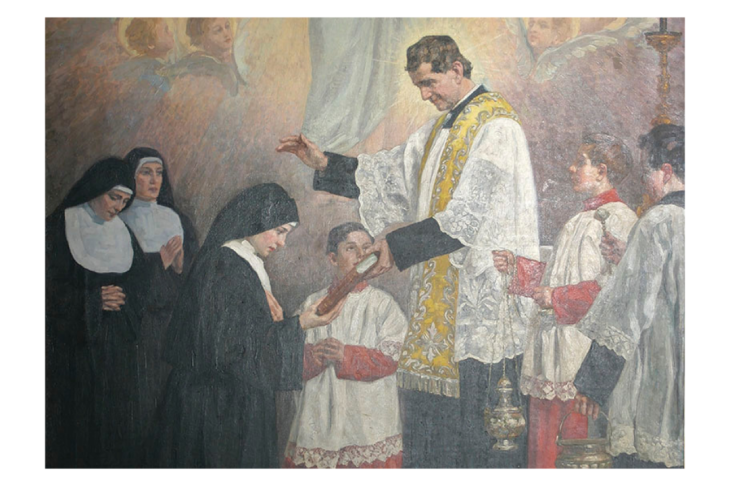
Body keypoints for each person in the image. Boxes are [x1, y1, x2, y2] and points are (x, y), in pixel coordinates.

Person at [277, 35, 540, 468]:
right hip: (440, 308)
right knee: (433, 435)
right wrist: (325, 164)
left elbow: (469, 217)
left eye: (430, 82)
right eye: (418, 86)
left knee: (479, 436)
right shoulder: (439, 130)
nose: (424, 95)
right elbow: (390, 173)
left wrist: (396, 247)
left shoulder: (497, 127)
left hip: (479, 308)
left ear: (457, 69)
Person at [153, 183, 344, 468]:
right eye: (279, 231)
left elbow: (247, 336)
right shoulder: (226, 266)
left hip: (230, 399)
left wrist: (281, 325)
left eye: (286, 234)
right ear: (256, 220)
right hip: (218, 406)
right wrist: (300, 323)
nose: (282, 243)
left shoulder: (243, 264)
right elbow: (233, 349)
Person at [492, 134, 638, 468]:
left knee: (574, 451)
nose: (571, 168)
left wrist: (557, 297)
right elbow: (557, 276)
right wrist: (518, 268)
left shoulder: (619, 219)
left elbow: (617, 294)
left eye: (580, 162)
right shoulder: (579, 219)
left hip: (583, 359)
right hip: (553, 353)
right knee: (543, 452)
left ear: (602, 170)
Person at [572, 124, 685, 468]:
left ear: (667, 172)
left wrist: (593, 381)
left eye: (648, 173)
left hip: (661, 371)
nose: (645, 183)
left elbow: (627, 309)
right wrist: (630, 254)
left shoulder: (659, 220)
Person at [46, 157, 149, 467]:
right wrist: (92, 300)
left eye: (124, 201)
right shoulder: (57, 228)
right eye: (113, 197)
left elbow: (140, 286)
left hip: (115, 351)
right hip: (72, 350)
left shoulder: (123, 232)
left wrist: (124, 300)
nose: (118, 207)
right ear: (95, 188)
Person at [284, 222, 408, 468]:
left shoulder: (383, 304)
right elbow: (288, 358)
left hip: (367, 420)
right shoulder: (312, 303)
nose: (361, 255)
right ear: (332, 258)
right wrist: (313, 356)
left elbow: (393, 357)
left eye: (366, 248)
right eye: (351, 248)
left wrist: (346, 355)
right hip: (320, 415)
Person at [118, 147, 199, 459]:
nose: (154, 180)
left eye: (158, 173)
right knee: (140, 406)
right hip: (138, 332)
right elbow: (122, 282)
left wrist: (179, 267)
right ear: (132, 177)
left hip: (174, 328)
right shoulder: (119, 221)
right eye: (145, 173)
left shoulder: (178, 221)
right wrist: (158, 264)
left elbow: (193, 277)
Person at [169, 18, 244, 96]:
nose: (226, 34)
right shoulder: (202, 64)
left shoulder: (234, 60)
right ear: (202, 38)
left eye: (227, 26)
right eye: (218, 30)